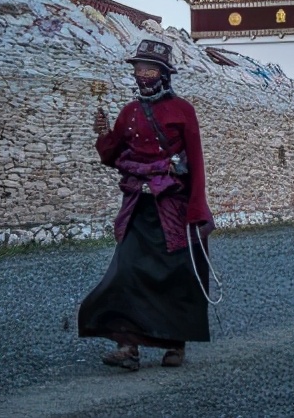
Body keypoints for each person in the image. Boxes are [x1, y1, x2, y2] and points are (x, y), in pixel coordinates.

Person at [78, 39, 215, 370]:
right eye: (138, 69)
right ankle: (128, 346)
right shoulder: (130, 112)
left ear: (164, 74)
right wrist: (103, 134)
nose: (142, 75)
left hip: (174, 210)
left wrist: (197, 210)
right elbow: (111, 155)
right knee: (126, 272)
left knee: (176, 277)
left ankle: (175, 344)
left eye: (149, 69)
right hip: (139, 207)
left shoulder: (183, 111)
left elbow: (195, 161)